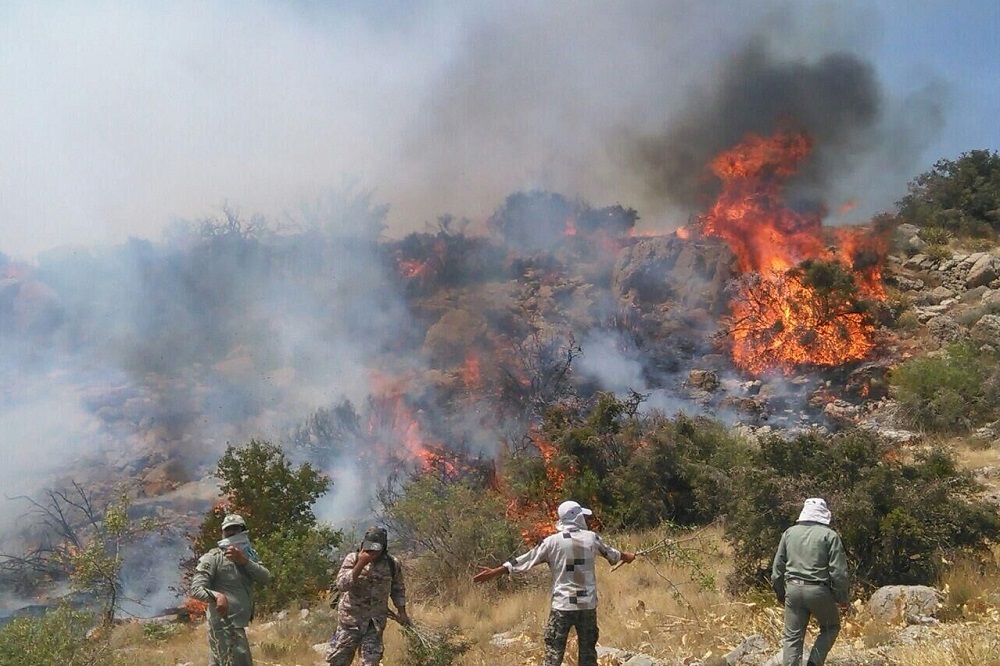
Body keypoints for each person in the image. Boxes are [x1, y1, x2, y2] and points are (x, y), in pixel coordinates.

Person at [472, 500, 636, 666]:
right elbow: (612, 554)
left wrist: (497, 571)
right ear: (578, 517)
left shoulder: (552, 542)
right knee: (588, 656)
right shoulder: (591, 538)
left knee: (553, 656)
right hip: (587, 606)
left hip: (562, 606)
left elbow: (526, 560)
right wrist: (627, 556)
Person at [771, 497, 850, 666]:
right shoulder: (830, 535)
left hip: (792, 589)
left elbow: (777, 568)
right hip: (818, 591)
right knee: (831, 627)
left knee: (792, 637)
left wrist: (780, 593)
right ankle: (814, 662)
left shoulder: (789, 533)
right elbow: (838, 572)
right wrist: (842, 597)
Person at [190, 513, 272, 666]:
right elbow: (196, 588)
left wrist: (244, 561)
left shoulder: (248, 555)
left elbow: (265, 578)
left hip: (237, 625)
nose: (232, 533)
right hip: (224, 625)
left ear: (243, 531)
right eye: (228, 530)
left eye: (236, 529)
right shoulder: (213, 557)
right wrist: (217, 596)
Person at [325, 525, 409, 666]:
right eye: (369, 545)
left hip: (374, 623)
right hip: (350, 621)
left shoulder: (391, 564)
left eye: (376, 547)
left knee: (371, 662)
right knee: (338, 661)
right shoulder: (352, 559)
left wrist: (402, 612)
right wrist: (361, 563)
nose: (372, 550)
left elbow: (398, 589)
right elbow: (342, 584)